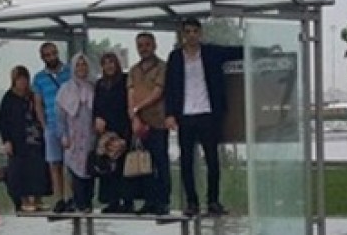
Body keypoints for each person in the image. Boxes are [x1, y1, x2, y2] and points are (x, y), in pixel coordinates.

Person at [163, 17, 244, 217]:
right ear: (182, 35)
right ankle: (192, 202)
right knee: (187, 161)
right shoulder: (175, 57)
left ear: (200, 34)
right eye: (187, 32)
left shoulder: (211, 53)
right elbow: (170, 87)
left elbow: (237, 52)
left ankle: (213, 201)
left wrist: (262, 47)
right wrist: (170, 114)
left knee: (212, 160)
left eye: (194, 31)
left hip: (208, 114)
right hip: (186, 115)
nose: (191, 35)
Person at [0, 65, 51, 212]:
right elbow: (2, 121)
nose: (22, 83)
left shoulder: (33, 95)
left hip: (35, 139)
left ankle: (38, 199)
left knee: (39, 169)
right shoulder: (8, 98)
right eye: (19, 79)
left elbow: (41, 111)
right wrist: (6, 140)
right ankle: (24, 201)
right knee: (19, 171)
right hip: (17, 141)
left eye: (24, 79)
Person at [128, 31, 170, 215]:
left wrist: (138, 108)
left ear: (154, 45)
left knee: (161, 162)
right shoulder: (134, 70)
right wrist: (134, 117)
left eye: (147, 44)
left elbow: (157, 93)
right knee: (144, 164)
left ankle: (163, 201)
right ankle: (149, 200)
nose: (143, 49)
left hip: (158, 122)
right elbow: (130, 94)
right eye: (140, 45)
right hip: (140, 125)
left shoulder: (162, 67)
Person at [32, 42, 72, 212]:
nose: (52, 57)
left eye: (53, 53)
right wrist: (44, 125)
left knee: (70, 163)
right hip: (51, 124)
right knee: (54, 163)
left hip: (69, 124)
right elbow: (38, 103)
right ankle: (59, 199)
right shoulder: (39, 78)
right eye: (47, 55)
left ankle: (72, 197)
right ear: (43, 57)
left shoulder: (68, 72)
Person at [55, 53, 97, 213]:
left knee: (90, 168)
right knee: (75, 170)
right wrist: (63, 135)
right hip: (73, 136)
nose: (81, 68)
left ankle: (88, 202)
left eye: (84, 64)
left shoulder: (93, 87)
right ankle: (79, 202)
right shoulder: (65, 89)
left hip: (90, 136)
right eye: (78, 65)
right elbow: (60, 116)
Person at [93, 51, 132, 213]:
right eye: (105, 63)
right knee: (108, 167)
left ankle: (128, 201)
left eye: (111, 62)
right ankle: (112, 201)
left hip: (123, 127)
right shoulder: (100, 84)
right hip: (106, 131)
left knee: (124, 166)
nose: (109, 66)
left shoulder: (124, 80)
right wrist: (97, 118)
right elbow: (96, 106)